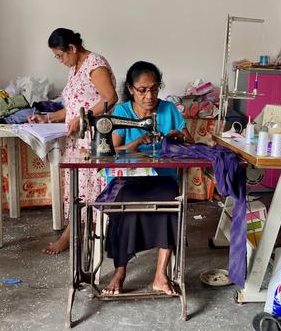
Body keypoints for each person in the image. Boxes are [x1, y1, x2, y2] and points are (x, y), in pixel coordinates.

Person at [98, 61, 194, 296]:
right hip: (129, 180)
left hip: (162, 178)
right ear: (131, 89)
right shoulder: (122, 112)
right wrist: (137, 143)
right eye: (142, 90)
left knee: (170, 200)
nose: (149, 95)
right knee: (127, 205)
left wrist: (178, 136)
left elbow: (190, 141)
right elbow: (115, 149)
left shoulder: (168, 109)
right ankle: (120, 271)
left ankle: (160, 275)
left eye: (153, 89)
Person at [28, 28, 118, 254]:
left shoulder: (95, 64)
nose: (59, 60)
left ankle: (77, 236)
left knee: (90, 190)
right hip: (77, 139)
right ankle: (79, 233)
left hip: (93, 138)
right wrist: (47, 118)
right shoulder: (75, 68)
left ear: (72, 48)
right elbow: (74, 107)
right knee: (78, 190)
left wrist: (84, 118)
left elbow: (110, 98)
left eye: (60, 55)